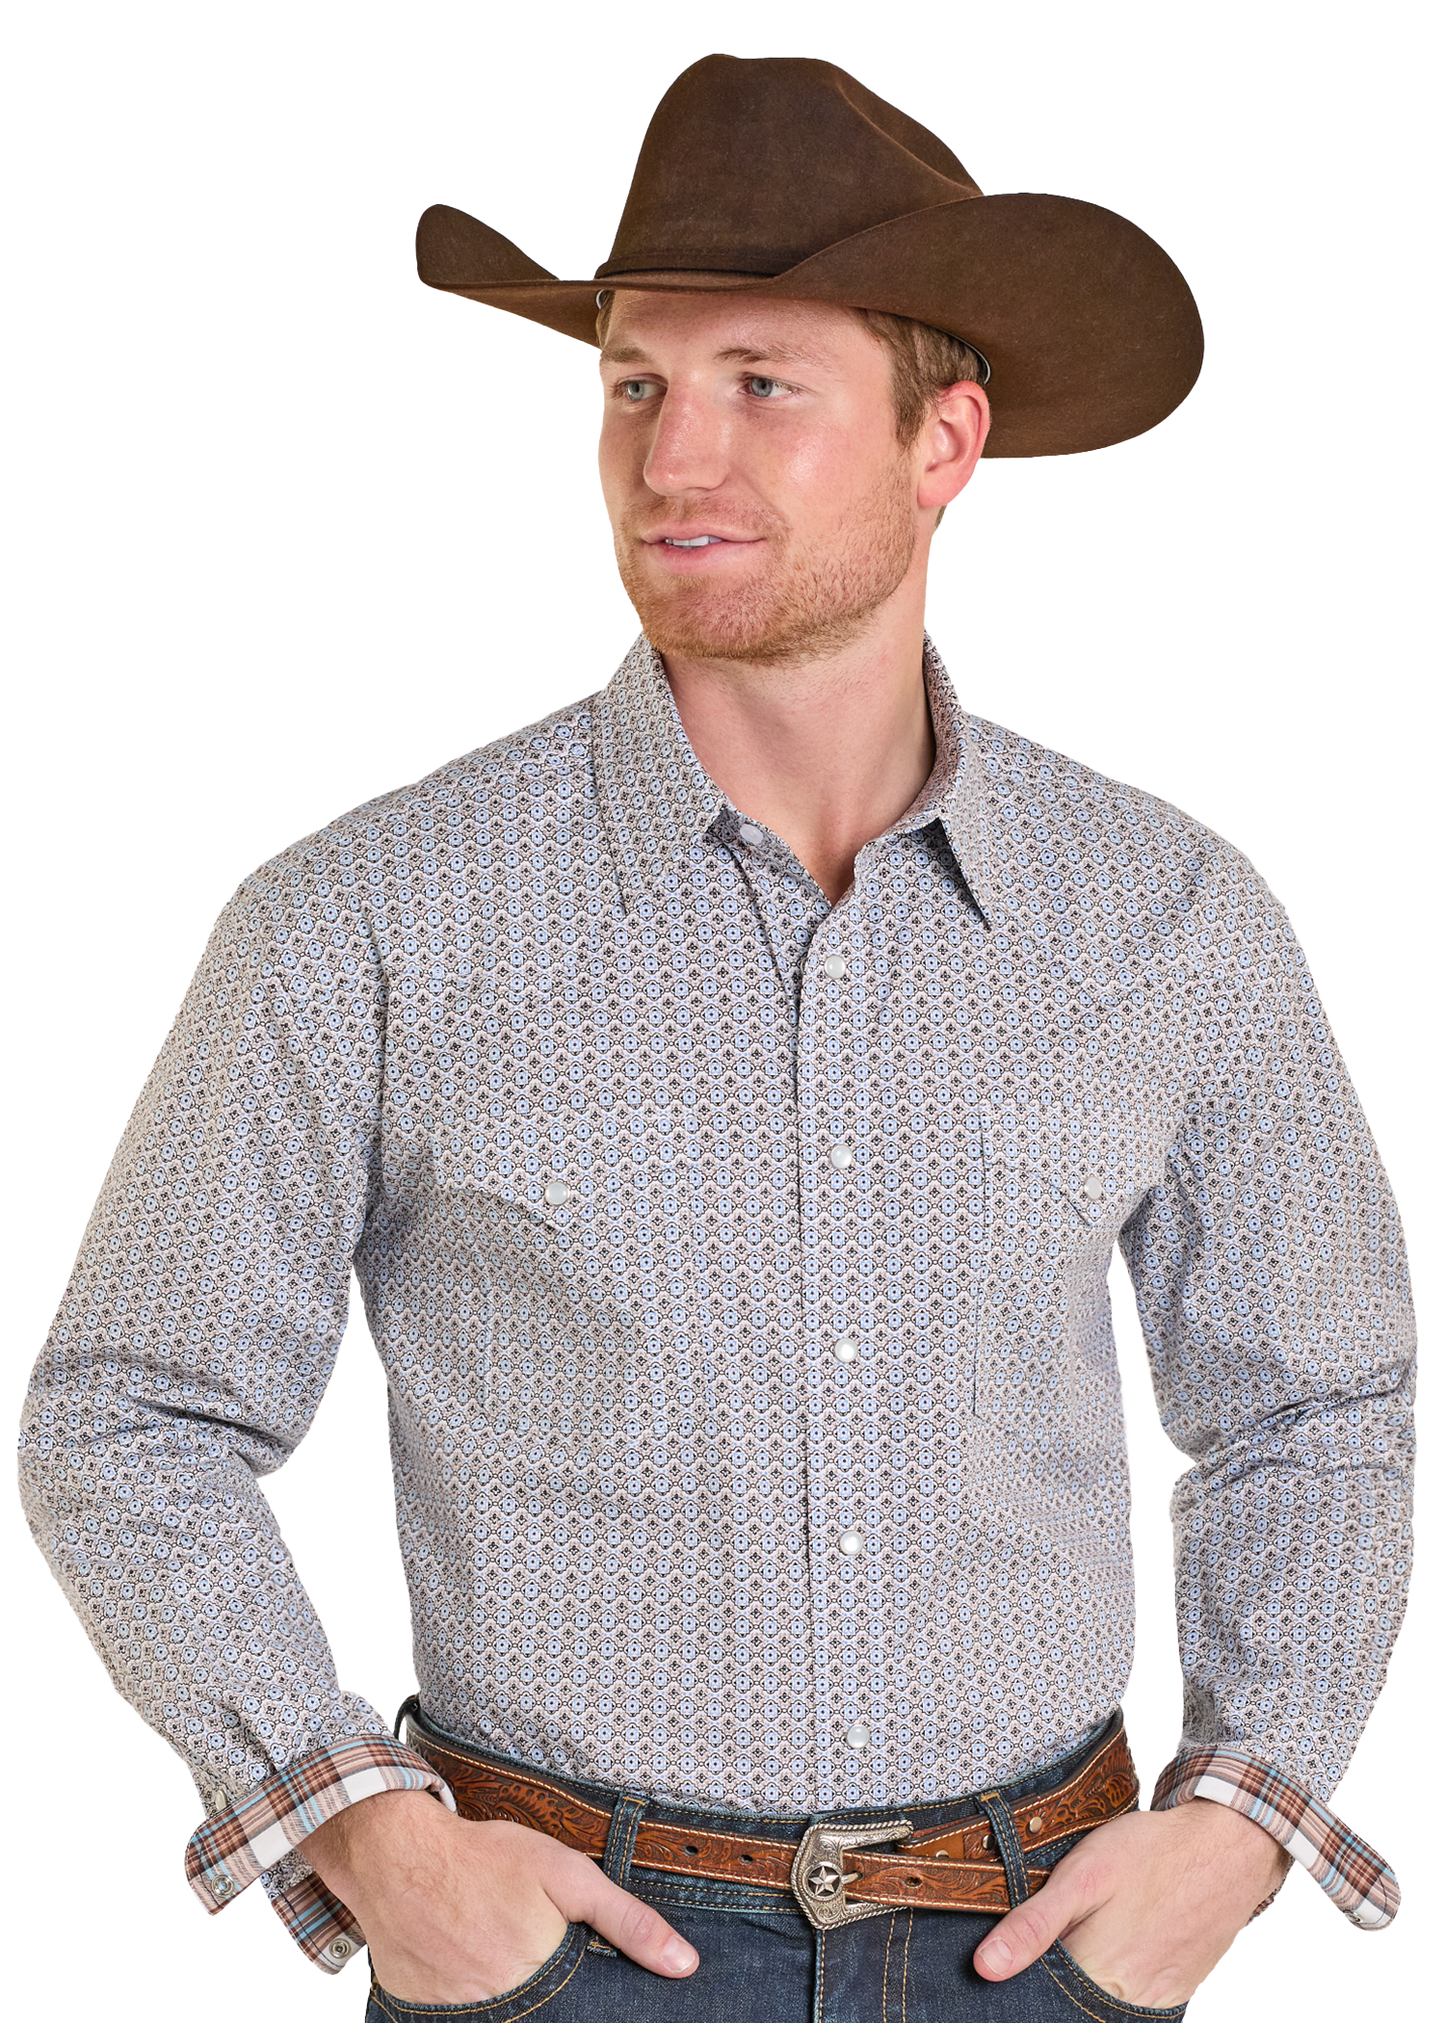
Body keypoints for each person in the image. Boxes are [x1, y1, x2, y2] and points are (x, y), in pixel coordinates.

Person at [16, 51, 1414, 2022]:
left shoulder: (1171, 912)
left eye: (763, 386)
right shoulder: (359, 917)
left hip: (1050, 1945)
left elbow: (1312, 1414)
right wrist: (359, 1832)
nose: (675, 457)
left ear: (945, 440)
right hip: (557, 1957)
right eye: (633, 386)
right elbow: (128, 1424)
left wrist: (1240, 1823)